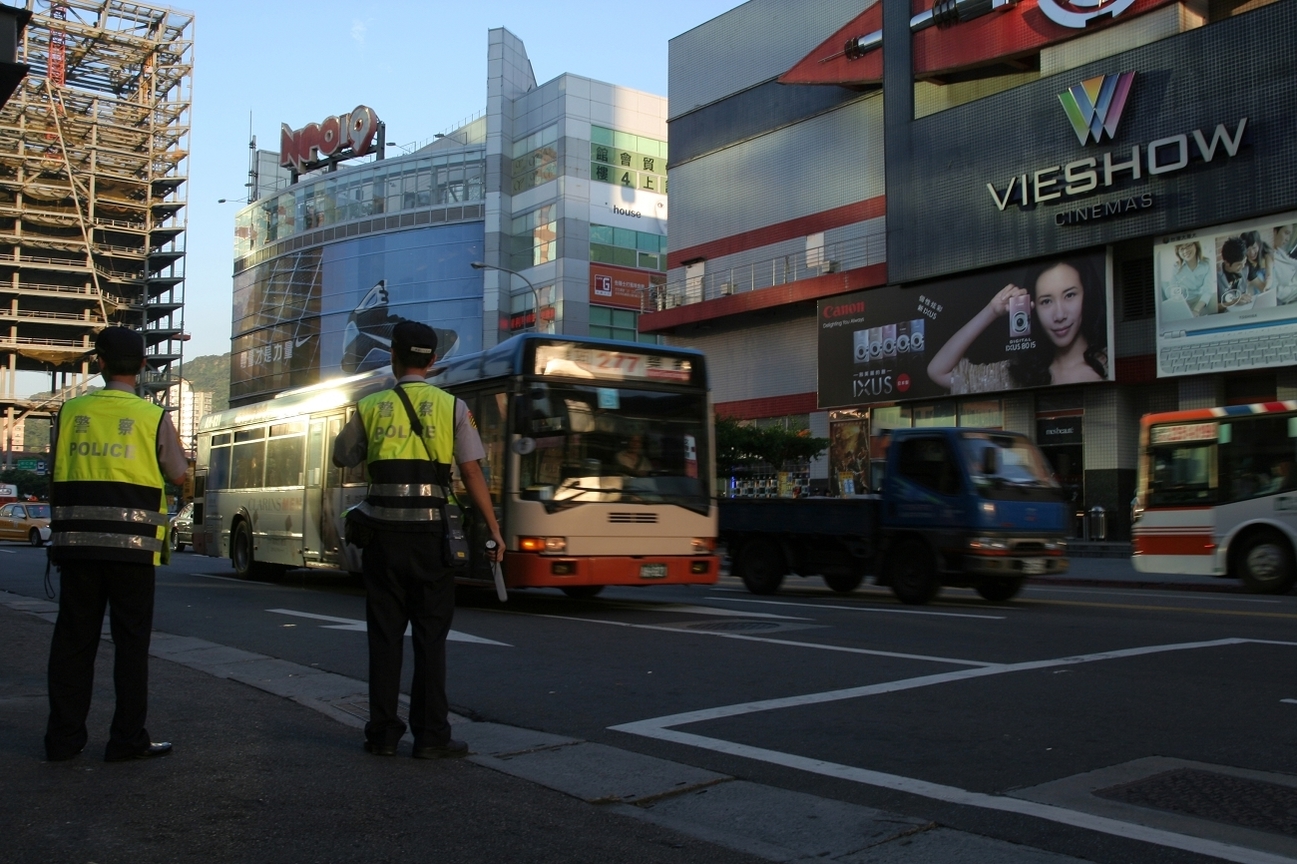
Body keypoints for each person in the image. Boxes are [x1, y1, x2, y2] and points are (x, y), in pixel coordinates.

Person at [332, 320, 504, 760]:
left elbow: (341, 456)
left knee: (385, 638)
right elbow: (470, 472)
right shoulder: (452, 407)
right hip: (432, 539)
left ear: (392, 355)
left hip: (382, 539)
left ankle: (383, 734)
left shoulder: (370, 406)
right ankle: (431, 737)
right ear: (432, 360)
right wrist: (495, 531)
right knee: (430, 638)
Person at [44, 326, 189, 763]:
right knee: (130, 646)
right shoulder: (151, 416)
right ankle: (126, 740)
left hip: (78, 546)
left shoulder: (71, 412)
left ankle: (63, 741)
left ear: (99, 363)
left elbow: (55, 466)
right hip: (133, 551)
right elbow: (179, 473)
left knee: (73, 643)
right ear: (143, 366)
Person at [927, 258, 1108, 394]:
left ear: (1087, 295)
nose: (1059, 315)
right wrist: (992, 311)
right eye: (1046, 301)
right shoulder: (1019, 375)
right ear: (1033, 307)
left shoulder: (1110, 364)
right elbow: (938, 371)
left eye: (1069, 296)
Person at [1163, 241, 1213, 316]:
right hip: (1183, 302)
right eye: (1182, 249)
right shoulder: (1176, 267)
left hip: (1200, 300)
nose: (1185, 251)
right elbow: (1173, 292)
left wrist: (1196, 310)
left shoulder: (1206, 263)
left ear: (1196, 246)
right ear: (1178, 252)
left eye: (1188, 245)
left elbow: (1208, 290)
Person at [1216, 237, 1249, 310]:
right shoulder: (1216, 277)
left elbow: (1243, 293)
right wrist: (1233, 302)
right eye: (1239, 264)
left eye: (1244, 262)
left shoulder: (1244, 269)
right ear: (1227, 263)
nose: (1242, 267)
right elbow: (1212, 308)